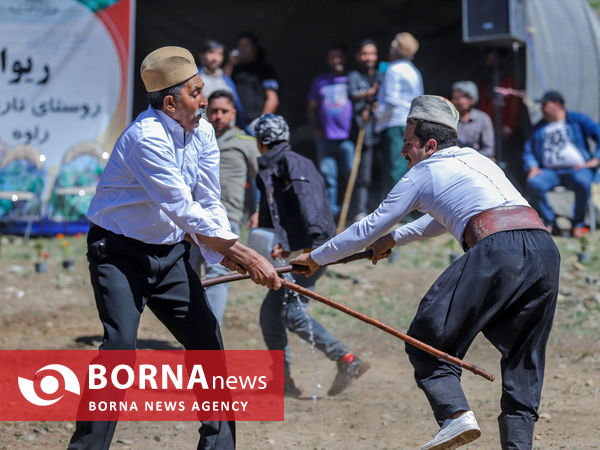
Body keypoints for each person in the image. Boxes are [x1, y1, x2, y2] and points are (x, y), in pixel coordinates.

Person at [292, 95, 560, 449]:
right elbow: (443, 218)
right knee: (524, 360)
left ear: (429, 145)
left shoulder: (422, 172)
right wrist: (395, 239)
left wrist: (317, 258)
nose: (403, 152)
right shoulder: (478, 160)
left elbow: (368, 227)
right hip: (543, 251)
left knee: (427, 338)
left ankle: (454, 415)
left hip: (498, 250)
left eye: (408, 143)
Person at [69, 46, 281, 450]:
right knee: (119, 353)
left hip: (168, 253)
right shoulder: (145, 138)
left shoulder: (202, 131)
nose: (205, 101)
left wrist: (232, 249)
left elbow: (209, 200)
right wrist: (244, 254)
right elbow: (181, 207)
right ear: (170, 102)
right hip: (118, 253)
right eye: (196, 93)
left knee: (207, 342)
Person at [251, 113, 369, 398]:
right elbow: (271, 219)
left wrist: (315, 250)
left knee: (290, 313)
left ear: (261, 142)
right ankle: (284, 380)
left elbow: (312, 206)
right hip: (294, 255)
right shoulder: (269, 169)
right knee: (271, 314)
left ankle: (346, 360)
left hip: (312, 253)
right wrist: (265, 251)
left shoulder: (293, 163)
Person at [188, 90, 261, 324]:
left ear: (233, 113)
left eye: (224, 111)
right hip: (190, 218)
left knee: (217, 275)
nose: (218, 116)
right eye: (213, 111)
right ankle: (194, 333)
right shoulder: (194, 136)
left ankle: (211, 334)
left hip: (225, 218)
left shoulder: (246, 143)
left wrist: (259, 210)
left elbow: (265, 179)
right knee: (188, 274)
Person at [523, 90, 600, 238]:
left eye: (544, 104)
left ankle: (578, 223)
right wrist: (533, 166)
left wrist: (596, 159)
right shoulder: (539, 127)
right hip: (549, 172)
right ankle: (551, 222)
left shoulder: (576, 120)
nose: (541, 109)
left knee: (583, 182)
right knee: (534, 182)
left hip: (577, 169)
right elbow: (528, 150)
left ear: (556, 105)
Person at [307, 43, 355, 218]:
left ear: (345, 59)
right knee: (328, 177)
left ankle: (351, 212)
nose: (337, 61)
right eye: (333, 57)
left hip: (348, 138)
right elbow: (312, 107)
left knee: (350, 176)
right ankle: (330, 214)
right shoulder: (320, 81)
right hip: (326, 137)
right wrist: (316, 128)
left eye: (340, 57)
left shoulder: (351, 79)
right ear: (328, 60)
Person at [375, 32, 423, 193]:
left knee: (394, 167)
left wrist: (376, 114)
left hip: (394, 123)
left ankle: (400, 213)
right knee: (407, 165)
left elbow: (391, 101)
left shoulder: (394, 69)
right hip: (411, 123)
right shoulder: (414, 71)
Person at [347, 39, 383, 220]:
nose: (369, 58)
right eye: (365, 53)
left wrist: (378, 104)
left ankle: (382, 212)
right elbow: (353, 95)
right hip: (364, 133)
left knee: (383, 173)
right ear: (358, 56)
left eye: (372, 53)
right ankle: (360, 211)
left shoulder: (381, 75)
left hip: (382, 132)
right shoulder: (354, 76)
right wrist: (368, 96)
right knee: (363, 175)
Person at [225, 32, 279, 125]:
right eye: (240, 46)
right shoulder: (235, 68)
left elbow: (272, 98)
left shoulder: (265, 69)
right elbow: (222, 83)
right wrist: (230, 63)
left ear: (255, 48)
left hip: (257, 120)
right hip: (237, 122)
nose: (243, 49)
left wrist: (262, 121)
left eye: (246, 45)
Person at [197, 39, 246, 128]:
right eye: (211, 53)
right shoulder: (196, 79)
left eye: (219, 54)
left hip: (226, 131)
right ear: (201, 55)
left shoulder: (226, 80)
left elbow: (237, 106)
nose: (215, 58)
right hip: (202, 129)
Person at [451, 80, 495, 159]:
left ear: (471, 100)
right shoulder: (450, 118)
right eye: (454, 98)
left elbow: (489, 149)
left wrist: (469, 158)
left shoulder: (483, 119)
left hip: (476, 161)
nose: (454, 102)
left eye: (458, 98)